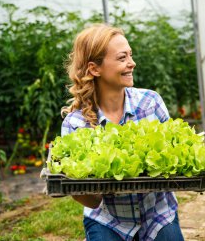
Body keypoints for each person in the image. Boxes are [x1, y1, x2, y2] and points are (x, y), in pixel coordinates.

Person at [61, 24, 184, 241]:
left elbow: (174, 164)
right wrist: (74, 182)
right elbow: (92, 202)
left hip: (157, 213)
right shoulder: (76, 124)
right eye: (122, 58)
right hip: (109, 219)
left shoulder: (150, 102)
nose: (132, 63)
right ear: (94, 68)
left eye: (131, 55)